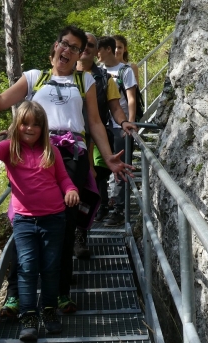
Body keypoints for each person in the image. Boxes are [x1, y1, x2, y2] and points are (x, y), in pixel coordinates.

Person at [0, 26, 134, 315]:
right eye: (64, 44)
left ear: (81, 54)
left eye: (75, 47)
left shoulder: (85, 81)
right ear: (55, 47)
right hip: (34, 152)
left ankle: (60, 293)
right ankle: (14, 294)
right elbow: (0, 101)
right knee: (25, 221)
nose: (68, 50)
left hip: (71, 155)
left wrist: (107, 157)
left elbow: (94, 122)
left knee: (65, 225)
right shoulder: (35, 77)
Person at [0, 101, 79, 342]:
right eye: (25, 124)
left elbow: (63, 178)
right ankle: (28, 318)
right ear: (16, 126)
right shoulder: (10, 148)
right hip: (24, 221)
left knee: (51, 268)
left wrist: (71, 190)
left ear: (43, 128)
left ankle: (48, 313)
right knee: (27, 268)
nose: (30, 128)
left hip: (54, 218)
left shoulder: (52, 150)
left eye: (36, 125)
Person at [73, 32, 138, 258]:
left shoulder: (104, 78)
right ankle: (71, 238)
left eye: (91, 45)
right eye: (83, 45)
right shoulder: (62, 74)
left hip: (96, 141)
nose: (87, 49)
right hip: (66, 144)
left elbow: (115, 107)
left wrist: (125, 121)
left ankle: (81, 234)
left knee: (90, 188)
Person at [97, 36, 137, 227]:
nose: (96, 53)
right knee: (100, 167)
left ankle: (120, 209)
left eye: (99, 49)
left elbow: (131, 98)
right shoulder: (98, 71)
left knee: (121, 165)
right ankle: (101, 205)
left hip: (119, 125)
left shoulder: (125, 70)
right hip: (102, 124)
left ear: (107, 49)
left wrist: (129, 122)